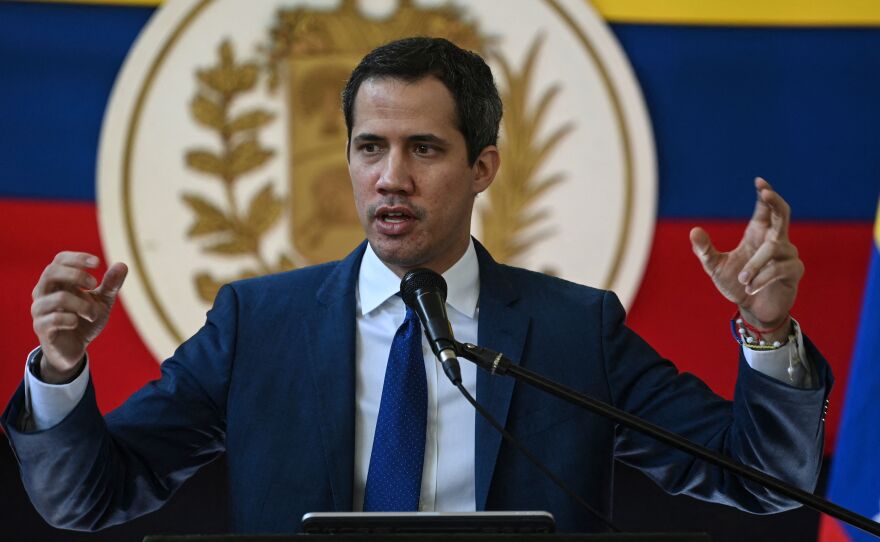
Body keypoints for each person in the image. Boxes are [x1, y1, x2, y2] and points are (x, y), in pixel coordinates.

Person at [2, 37, 831, 533]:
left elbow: (761, 481)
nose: (390, 177)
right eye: (370, 148)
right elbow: (88, 499)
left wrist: (765, 333)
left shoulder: (576, 329)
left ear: (481, 168)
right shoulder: (259, 324)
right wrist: (62, 372)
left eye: (424, 150)